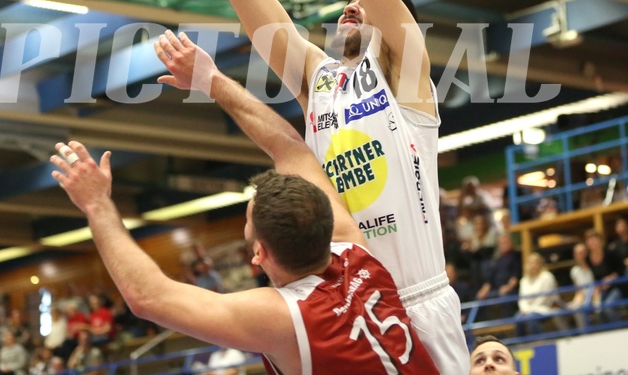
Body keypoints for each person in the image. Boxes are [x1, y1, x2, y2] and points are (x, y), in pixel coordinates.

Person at [220, 0, 467, 374]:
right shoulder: (319, 79)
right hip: (346, 310)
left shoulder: (406, 74)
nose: (351, 4)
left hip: (417, 303)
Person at [49, 30, 440, 375]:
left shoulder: (284, 316)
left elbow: (148, 297)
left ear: (260, 255)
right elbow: (290, 148)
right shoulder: (355, 252)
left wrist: (97, 205)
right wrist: (211, 79)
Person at [514, 252, 565, 338]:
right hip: (527, 310)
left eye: (535, 263)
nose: (533, 265)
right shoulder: (524, 280)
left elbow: (544, 297)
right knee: (518, 319)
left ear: (540, 264)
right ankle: (522, 345)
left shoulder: (547, 277)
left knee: (531, 319)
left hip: (545, 307)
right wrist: (525, 309)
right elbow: (522, 299)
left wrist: (530, 311)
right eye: (531, 263)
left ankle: (540, 342)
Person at [476, 233, 521, 320]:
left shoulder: (516, 257)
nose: (503, 245)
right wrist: (484, 290)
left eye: (506, 242)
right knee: (480, 298)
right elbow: (490, 280)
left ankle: (508, 323)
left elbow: (515, 277)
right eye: (501, 243)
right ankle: (485, 326)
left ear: (511, 243)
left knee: (506, 296)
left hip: (511, 290)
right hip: (496, 290)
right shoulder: (497, 260)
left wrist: (508, 287)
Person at [568, 242, 596, 328]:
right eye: (578, 253)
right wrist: (574, 302)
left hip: (596, 296)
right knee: (574, 309)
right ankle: (583, 334)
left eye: (583, 252)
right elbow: (578, 291)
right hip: (583, 299)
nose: (581, 256)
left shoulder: (593, 267)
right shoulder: (574, 271)